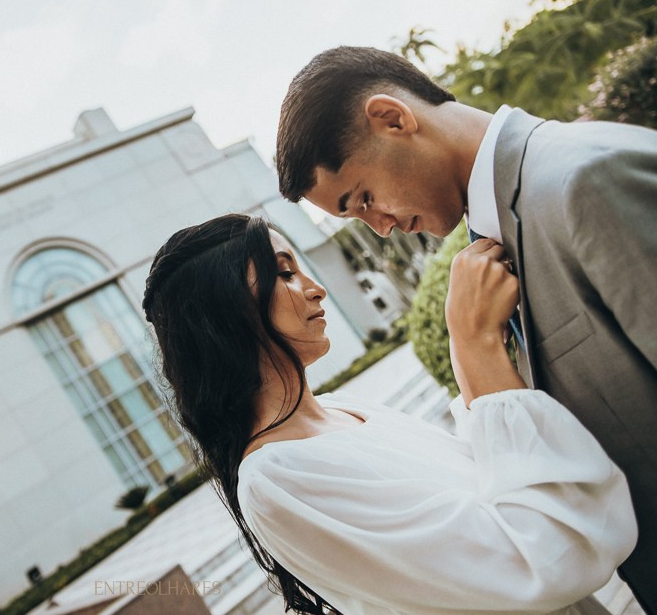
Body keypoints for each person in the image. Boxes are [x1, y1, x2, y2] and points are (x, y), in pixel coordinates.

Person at [274, 46, 657, 613]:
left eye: (364, 199)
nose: (381, 229)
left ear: (393, 118)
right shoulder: (495, 240)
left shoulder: (581, 180)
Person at [141, 213, 636, 615]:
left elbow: (493, 488)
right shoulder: (277, 477)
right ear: (223, 318)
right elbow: (540, 562)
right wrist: (472, 345)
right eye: (284, 273)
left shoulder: (342, 411)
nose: (316, 288)